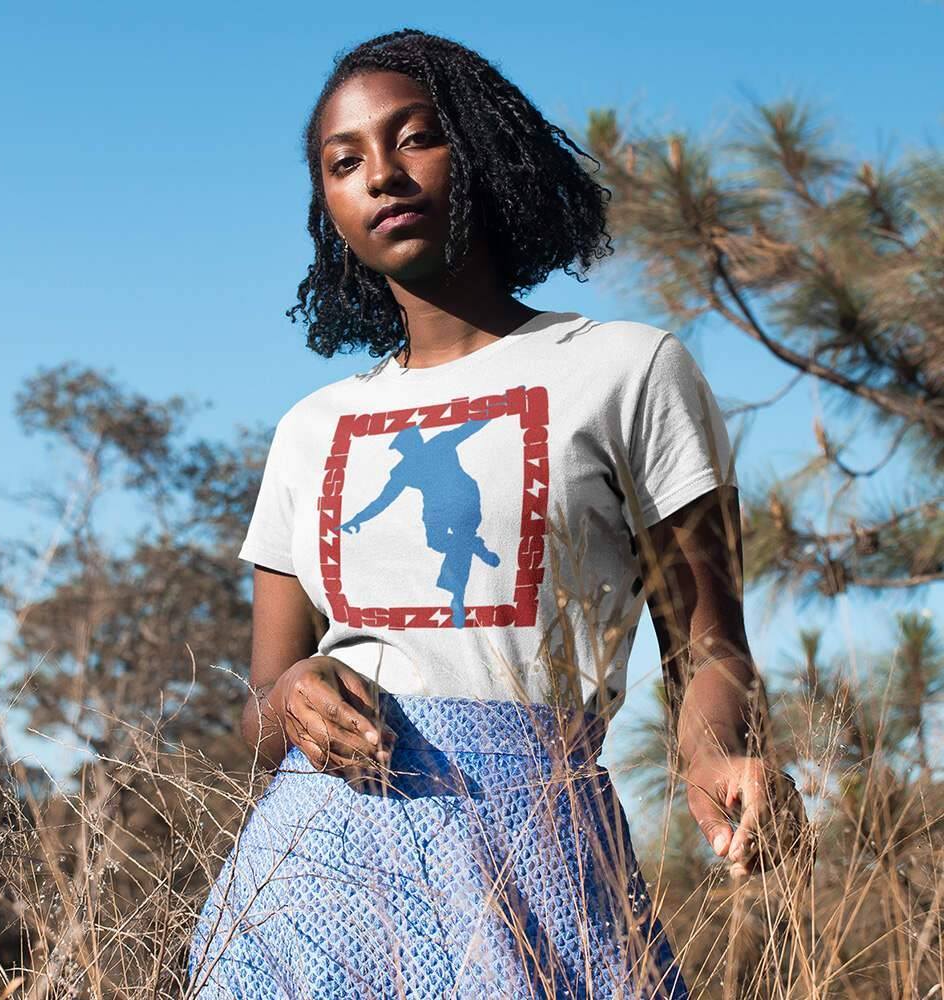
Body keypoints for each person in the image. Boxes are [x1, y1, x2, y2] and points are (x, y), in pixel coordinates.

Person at [187, 28, 807, 999]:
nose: (382, 175)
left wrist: (717, 753)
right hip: (310, 869)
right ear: (329, 209)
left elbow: (708, 644)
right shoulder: (312, 428)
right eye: (344, 163)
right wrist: (297, 693)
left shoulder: (629, 370)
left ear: (479, 148)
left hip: (531, 837)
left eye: (415, 138)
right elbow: (261, 708)